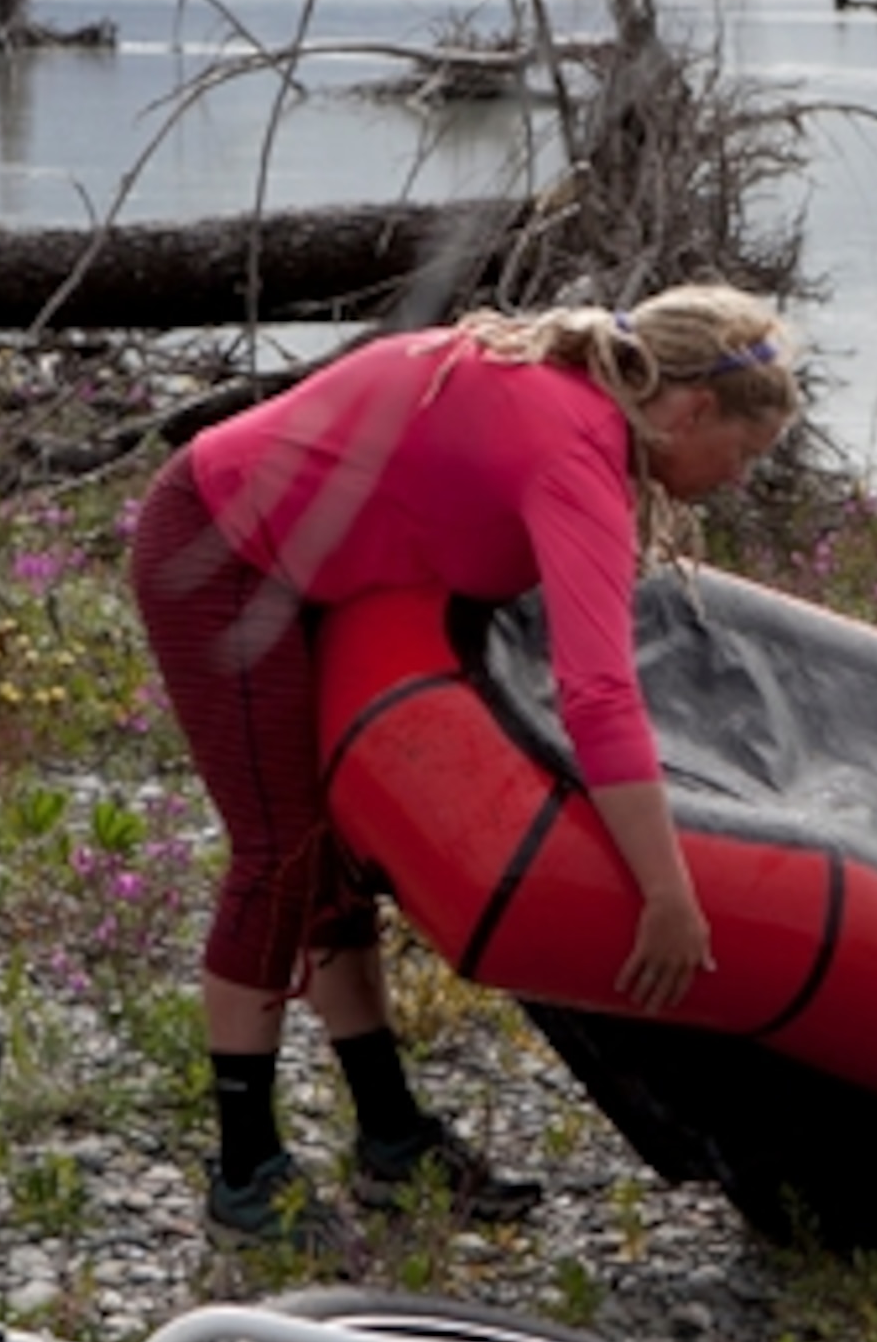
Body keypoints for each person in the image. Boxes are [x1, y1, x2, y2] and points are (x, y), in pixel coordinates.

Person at [127, 282, 802, 1247]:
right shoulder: (574, 454)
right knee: (278, 857)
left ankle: (390, 1140)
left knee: (335, 865)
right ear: (690, 410)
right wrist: (665, 890)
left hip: (315, 568)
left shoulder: (569, 392)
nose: (737, 477)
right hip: (220, 544)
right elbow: (598, 697)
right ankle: (243, 1171)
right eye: (743, 454)